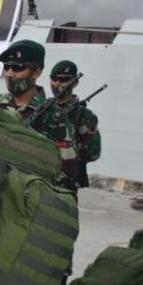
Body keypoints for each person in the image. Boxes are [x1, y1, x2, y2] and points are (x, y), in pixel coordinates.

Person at [33, 60, 101, 191]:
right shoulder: (39, 109)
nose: (57, 83)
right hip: (36, 174)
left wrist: (67, 147)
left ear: (75, 82)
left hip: (65, 181)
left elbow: (93, 153)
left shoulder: (84, 116)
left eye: (63, 80)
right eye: (54, 78)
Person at [0, 40, 47, 122]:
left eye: (18, 67)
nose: (9, 74)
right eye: (6, 66)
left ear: (36, 72)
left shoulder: (49, 113)